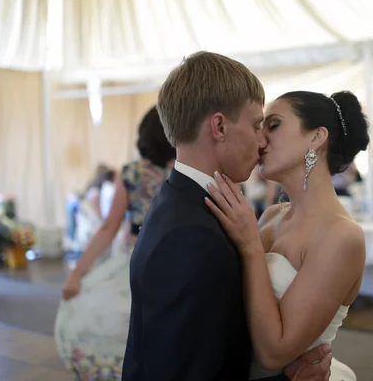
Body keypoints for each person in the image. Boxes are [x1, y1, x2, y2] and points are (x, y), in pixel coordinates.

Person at [122, 52, 334, 381]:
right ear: (219, 126)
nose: (262, 140)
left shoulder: (180, 200)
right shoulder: (192, 237)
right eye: (255, 125)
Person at [206, 89, 369, 380]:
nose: (260, 139)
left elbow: (274, 353)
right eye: (260, 127)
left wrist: (251, 246)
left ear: (317, 138)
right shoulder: (271, 216)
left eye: (274, 125)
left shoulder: (341, 236)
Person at [55, 107, 176, 379]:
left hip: (136, 260)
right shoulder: (182, 171)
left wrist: (77, 273)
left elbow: (109, 228)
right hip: (175, 260)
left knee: (123, 326)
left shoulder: (130, 173)